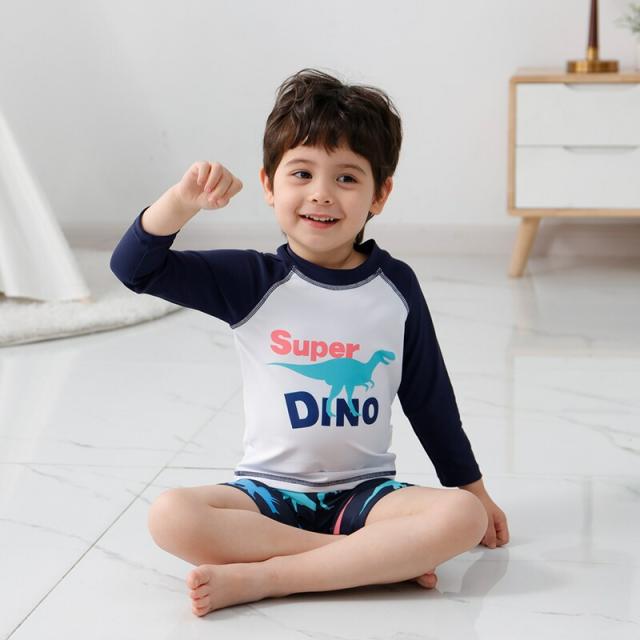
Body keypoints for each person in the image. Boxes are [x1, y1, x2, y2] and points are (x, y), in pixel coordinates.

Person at [110, 68, 509, 617]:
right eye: (302, 173)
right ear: (269, 184)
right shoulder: (252, 281)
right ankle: (363, 562)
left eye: (347, 178)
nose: (321, 193)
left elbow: (429, 397)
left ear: (380, 194)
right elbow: (134, 268)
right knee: (169, 515)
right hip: (266, 496)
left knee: (461, 516)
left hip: (366, 497)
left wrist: (474, 489)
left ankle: (269, 576)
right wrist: (182, 201)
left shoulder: (395, 287)